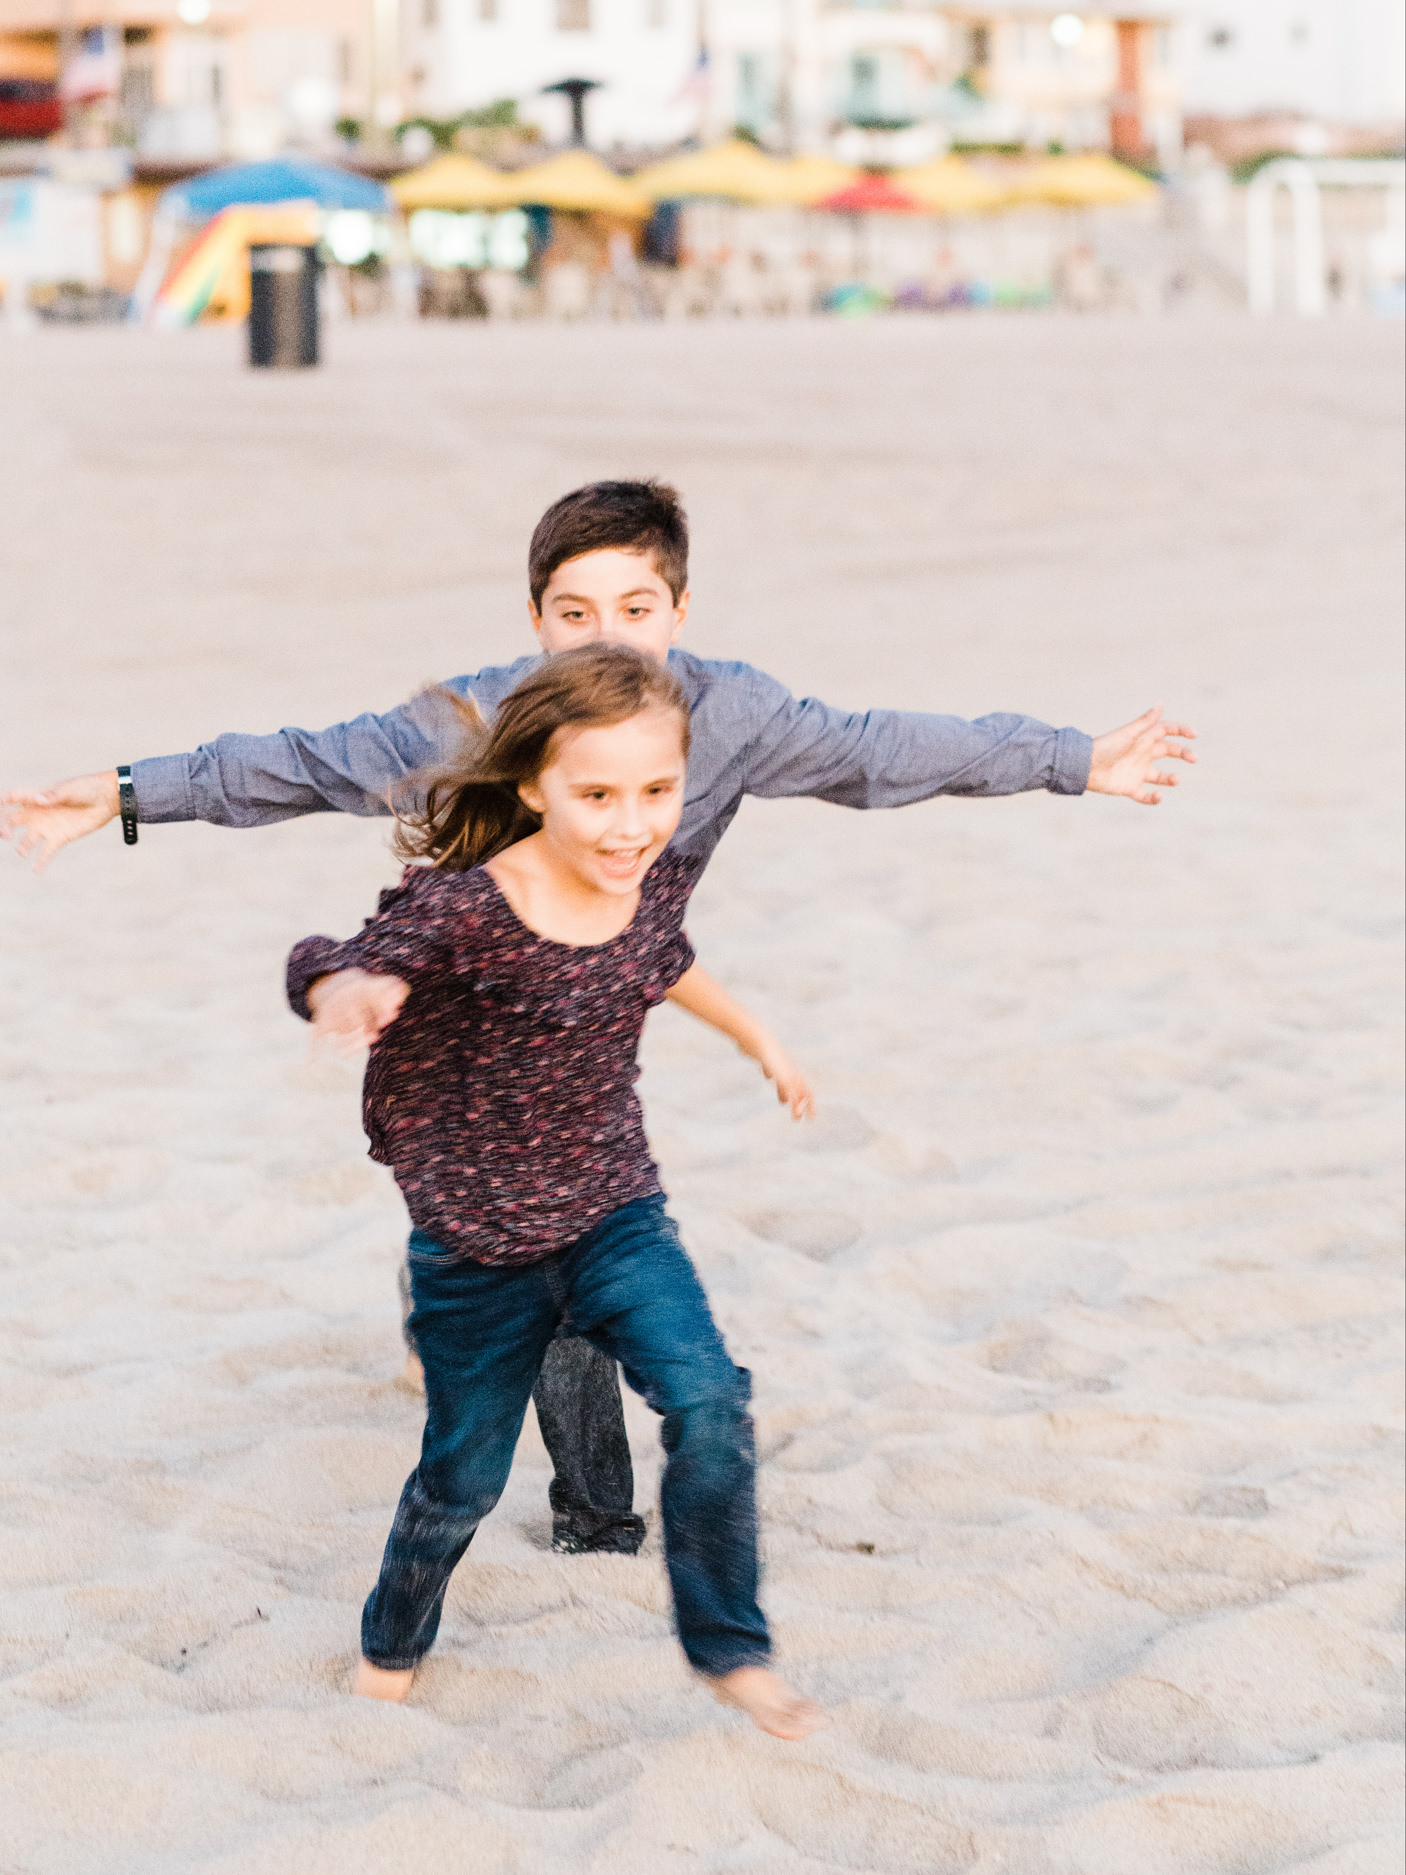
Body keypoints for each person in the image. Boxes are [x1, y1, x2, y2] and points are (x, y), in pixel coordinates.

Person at [1, 479, 1196, 1556]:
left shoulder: (733, 715)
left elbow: (883, 750)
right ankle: (551, 1446)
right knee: (515, 1235)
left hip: (598, 987)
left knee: (565, 1222)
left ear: (679, 610)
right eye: (574, 612)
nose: (607, 633)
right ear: (536, 622)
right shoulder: (478, 714)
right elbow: (302, 764)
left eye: (636, 605)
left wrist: (1072, 757)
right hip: (459, 992)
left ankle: (585, 1506)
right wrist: (119, 795)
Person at [292, 643, 821, 1740]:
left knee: (712, 1402)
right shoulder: (467, 907)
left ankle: (729, 1648)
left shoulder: (640, 889)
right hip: (476, 1250)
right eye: (596, 795)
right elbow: (350, 953)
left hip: (614, 1215)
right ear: (532, 785)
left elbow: (665, 963)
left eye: (657, 792)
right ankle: (392, 1640)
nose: (631, 824)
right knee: (462, 1484)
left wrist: (758, 1036)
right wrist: (350, 990)